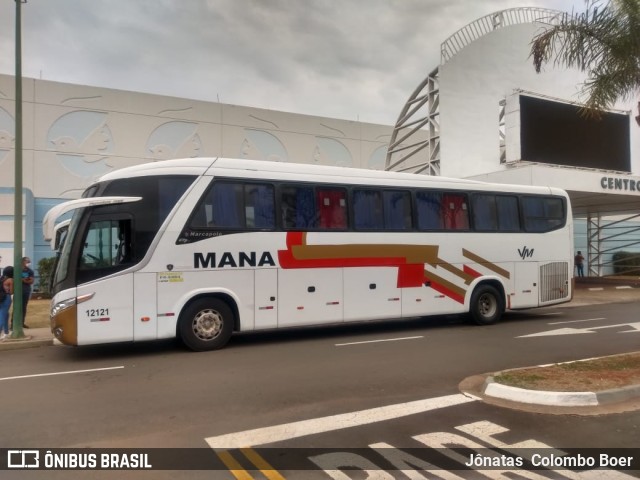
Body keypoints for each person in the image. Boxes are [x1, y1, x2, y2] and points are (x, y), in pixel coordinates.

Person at [13, 257, 34, 329]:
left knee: (24, 307)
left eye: (29, 261)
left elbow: (31, 281)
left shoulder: (30, 271)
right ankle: (13, 324)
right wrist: (22, 279)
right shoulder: (16, 269)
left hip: (26, 290)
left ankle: (22, 323)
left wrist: (24, 280)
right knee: (16, 307)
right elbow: (14, 279)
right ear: (23, 261)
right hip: (17, 291)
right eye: (27, 261)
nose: (28, 262)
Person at [0, 266, 14, 340]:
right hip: (6, 298)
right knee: (2, 315)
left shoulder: (1, 278)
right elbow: (11, 292)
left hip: (0, 298)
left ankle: (6, 333)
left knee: (6, 315)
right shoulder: (10, 280)